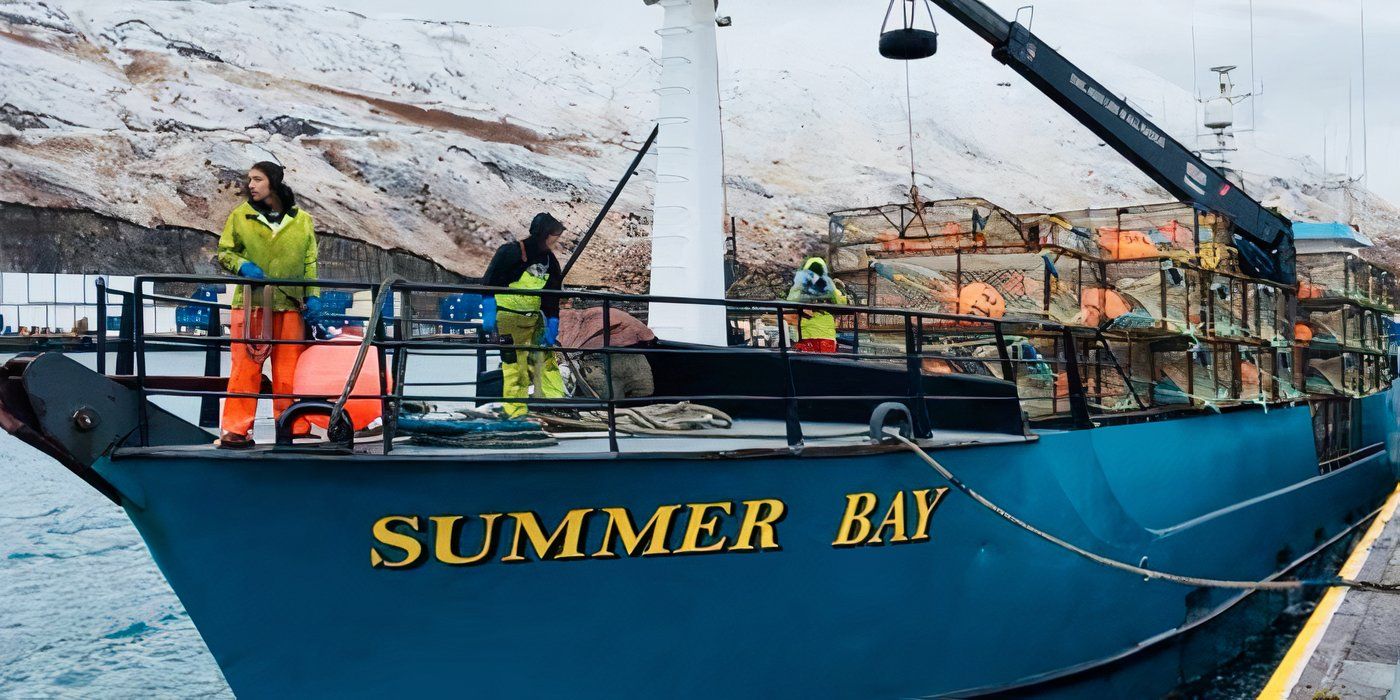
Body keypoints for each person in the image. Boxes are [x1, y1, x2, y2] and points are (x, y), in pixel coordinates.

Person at [215, 161, 323, 449]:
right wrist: (242, 266)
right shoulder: (240, 216)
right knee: (245, 369)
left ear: (273, 182)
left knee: (289, 371)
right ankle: (236, 431)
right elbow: (225, 252)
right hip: (251, 304)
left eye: (257, 179)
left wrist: (313, 295)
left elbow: (310, 262)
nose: (250, 185)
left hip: (290, 305)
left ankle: (294, 426)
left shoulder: (302, 220)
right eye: (250, 179)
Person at [481, 212, 567, 418]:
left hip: (534, 319)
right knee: (515, 366)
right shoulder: (510, 252)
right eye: (554, 235)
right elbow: (489, 283)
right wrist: (490, 315)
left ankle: (558, 405)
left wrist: (552, 323)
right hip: (509, 318)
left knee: (546, 362)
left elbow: (551, 296)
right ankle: (515, 412)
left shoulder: (549, 260)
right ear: (544, 233)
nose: (556, 240)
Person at [785, 256, 846, 353]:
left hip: (807, 333)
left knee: (808, 364)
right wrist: (842, 292)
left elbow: (790, 300)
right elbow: (841, 303)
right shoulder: (828, 283)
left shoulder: (801, 283)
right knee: (826, 365)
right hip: (827, 333)